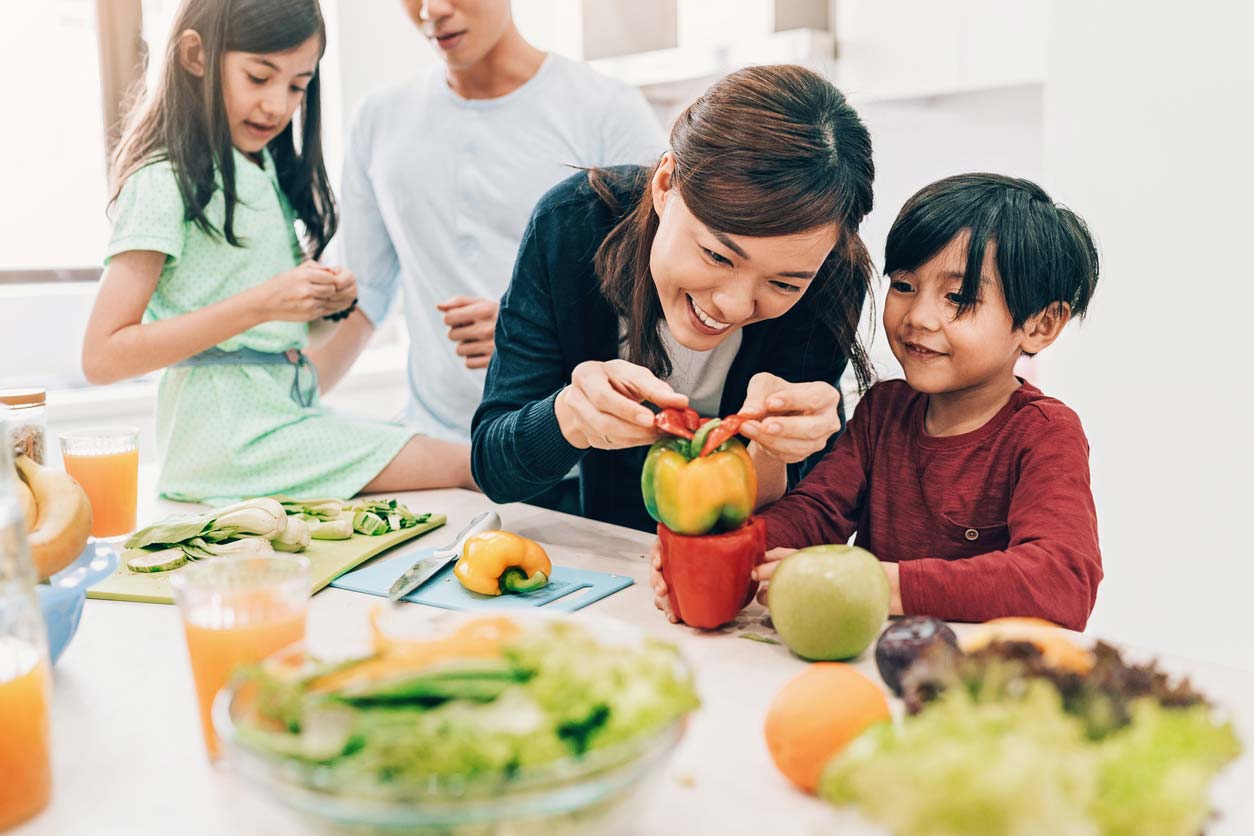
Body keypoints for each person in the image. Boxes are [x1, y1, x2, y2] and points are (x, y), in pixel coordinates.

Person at [655, 173, 1103, 631]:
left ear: (1042, 325)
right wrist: (723, 552)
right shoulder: (884, 409)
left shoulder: (1046, 432)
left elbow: (1063, 580)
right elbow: (817, 511)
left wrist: (877, 583)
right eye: (905, 286)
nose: (919, 318)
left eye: (958, 297)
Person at [81, 0, 475, 504]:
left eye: (296, 86)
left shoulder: (259, 168)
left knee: (459, 463)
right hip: (229, 441)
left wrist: (323, 305)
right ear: (196, 56)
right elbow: (101, 357)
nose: (277, 105)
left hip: (280, 420)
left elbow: (269, 329)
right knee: (466, 463)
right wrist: (265, 301)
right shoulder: (163, 180)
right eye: (259, 77)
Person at [472, 64, 877, 531]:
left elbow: (796, 513)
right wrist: (568, 415)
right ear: (665, 184)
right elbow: (494, 469)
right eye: (717, 255)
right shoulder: (571, 226)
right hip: (608, 552)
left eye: (784, 284)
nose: (734, 305)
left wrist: (778, 449)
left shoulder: (830, 277)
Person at [327, 0, 665, 448]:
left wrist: (532, 334)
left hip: (571, 453)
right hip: (439, 449)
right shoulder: (378, 119)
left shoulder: (607, 109)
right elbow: (363, 296)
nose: (432, 10)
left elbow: (658, 296)